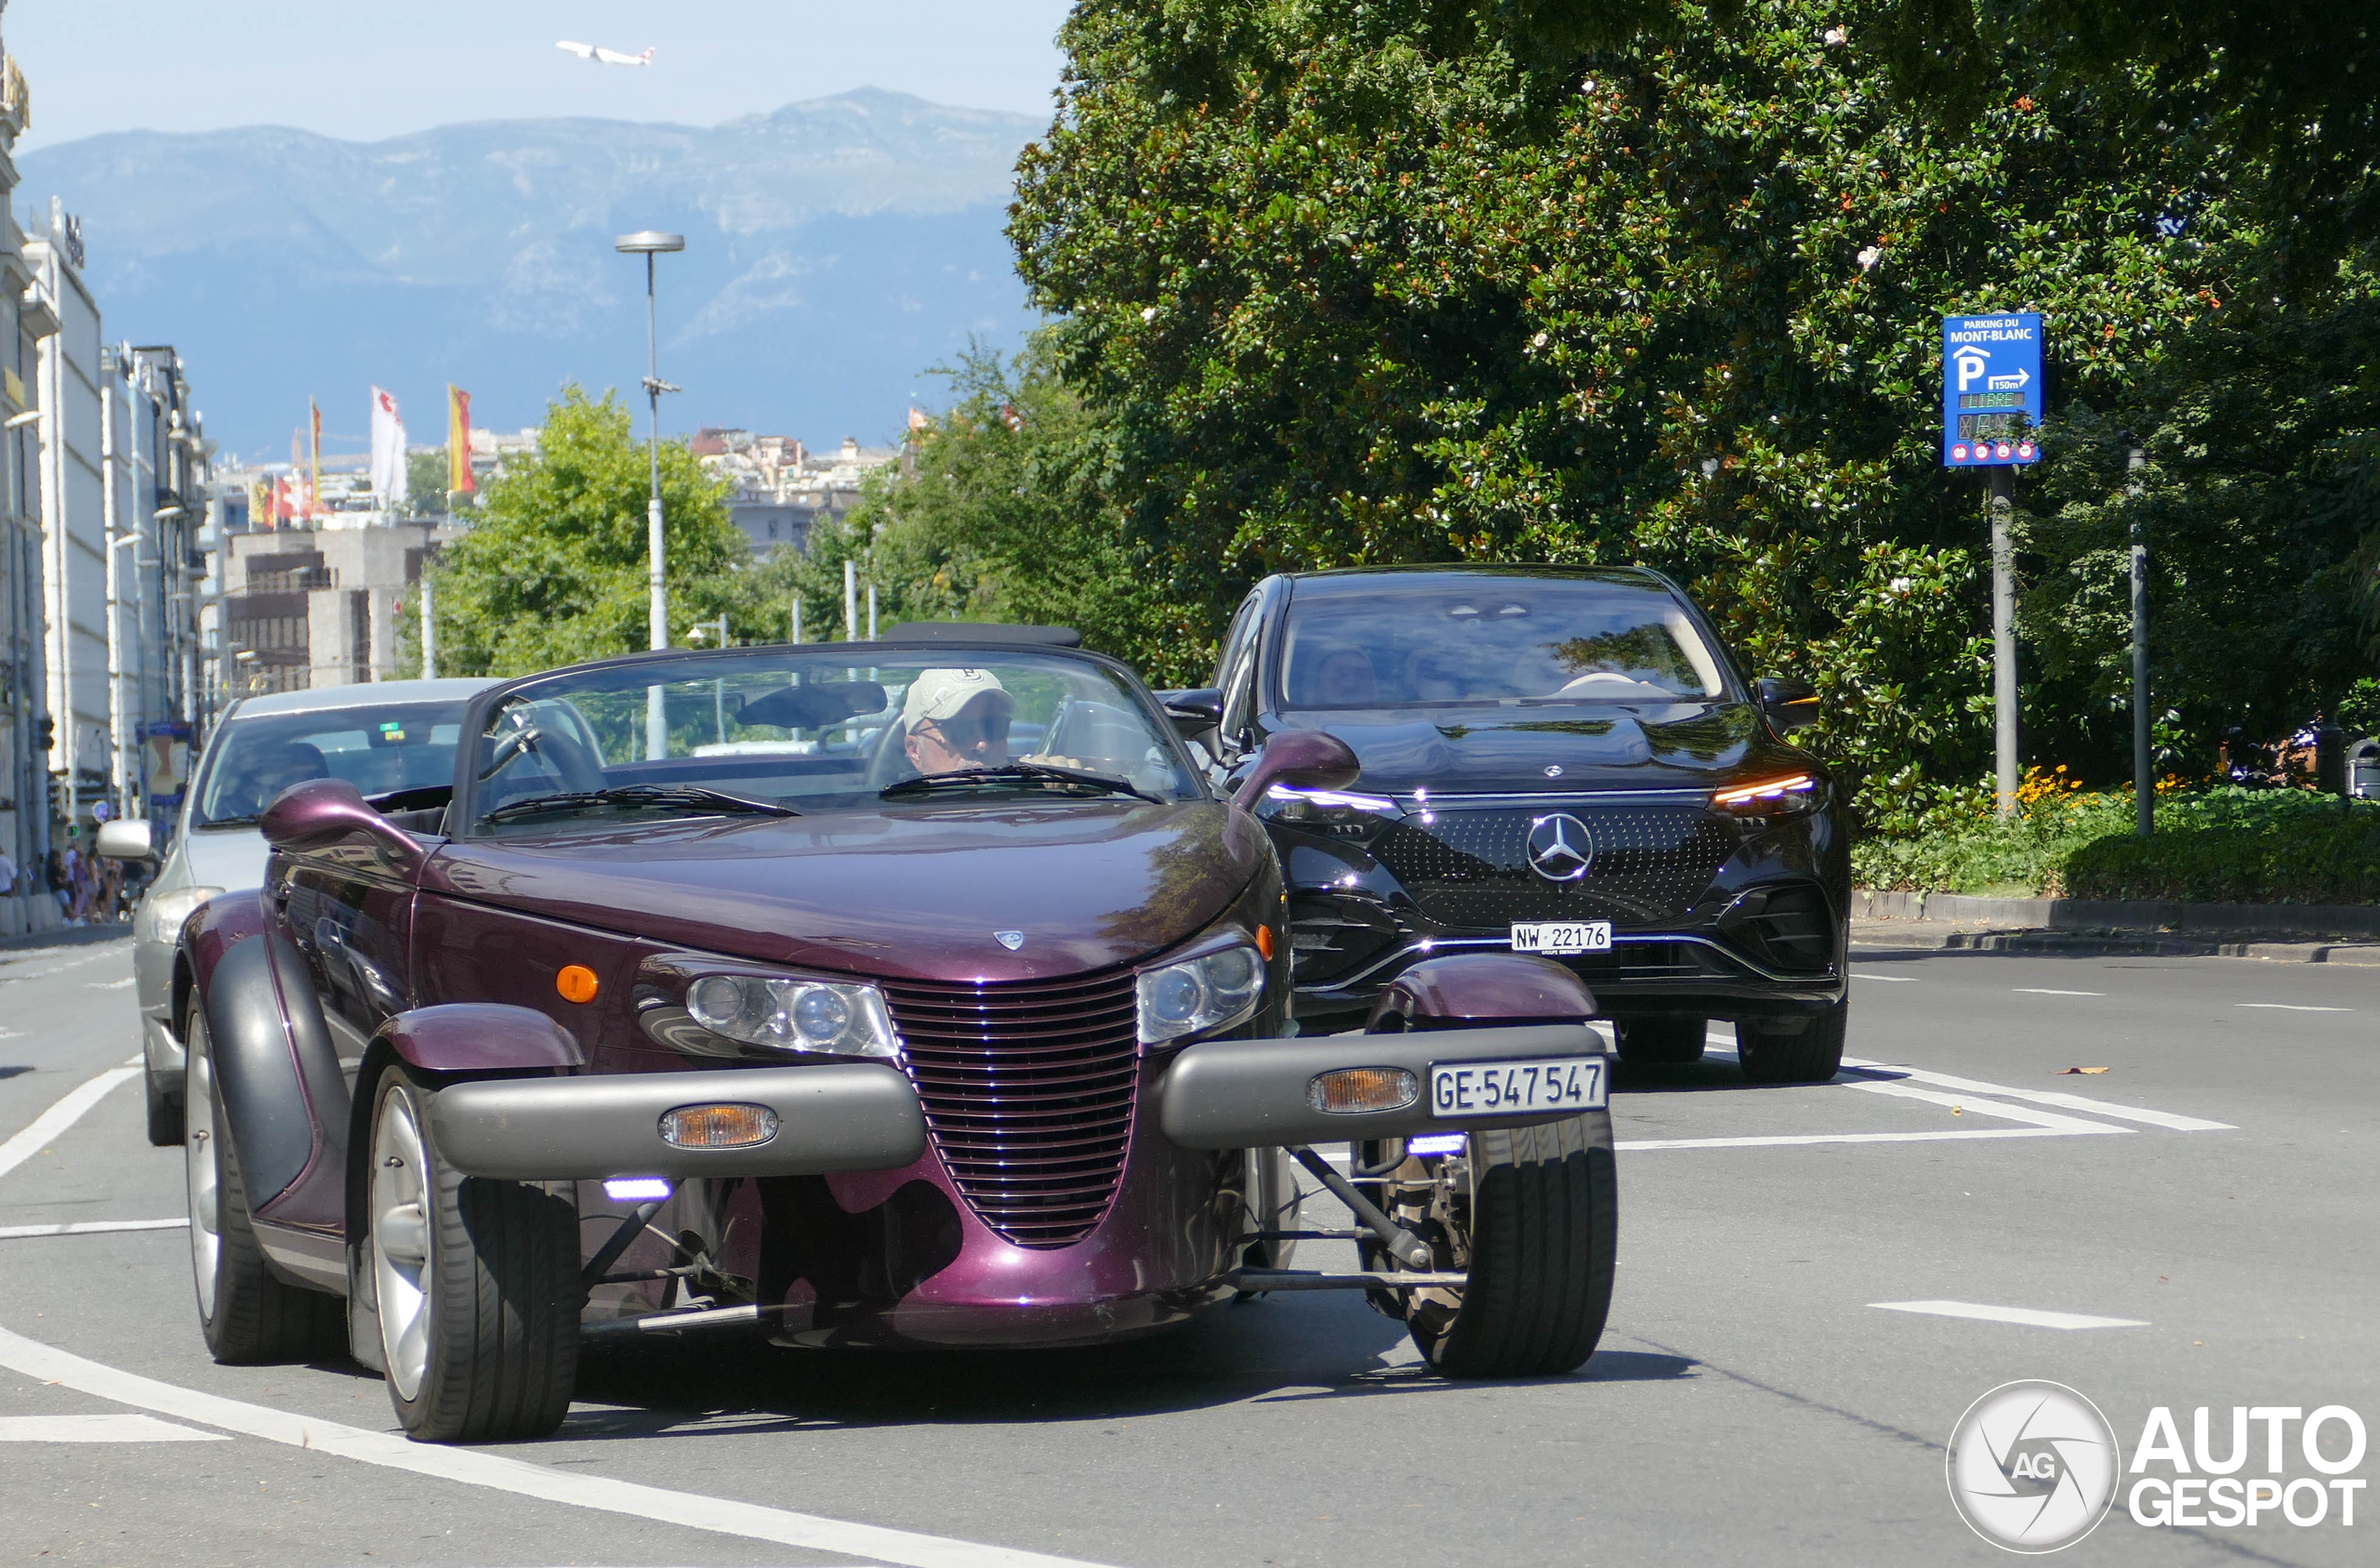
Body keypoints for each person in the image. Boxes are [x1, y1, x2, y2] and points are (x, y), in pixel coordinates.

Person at [901, 668, 1015, 775]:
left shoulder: (1031, 787)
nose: (982, 745)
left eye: (992, 727)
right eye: (959, 730)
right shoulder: (887, 797)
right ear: (915, 751)